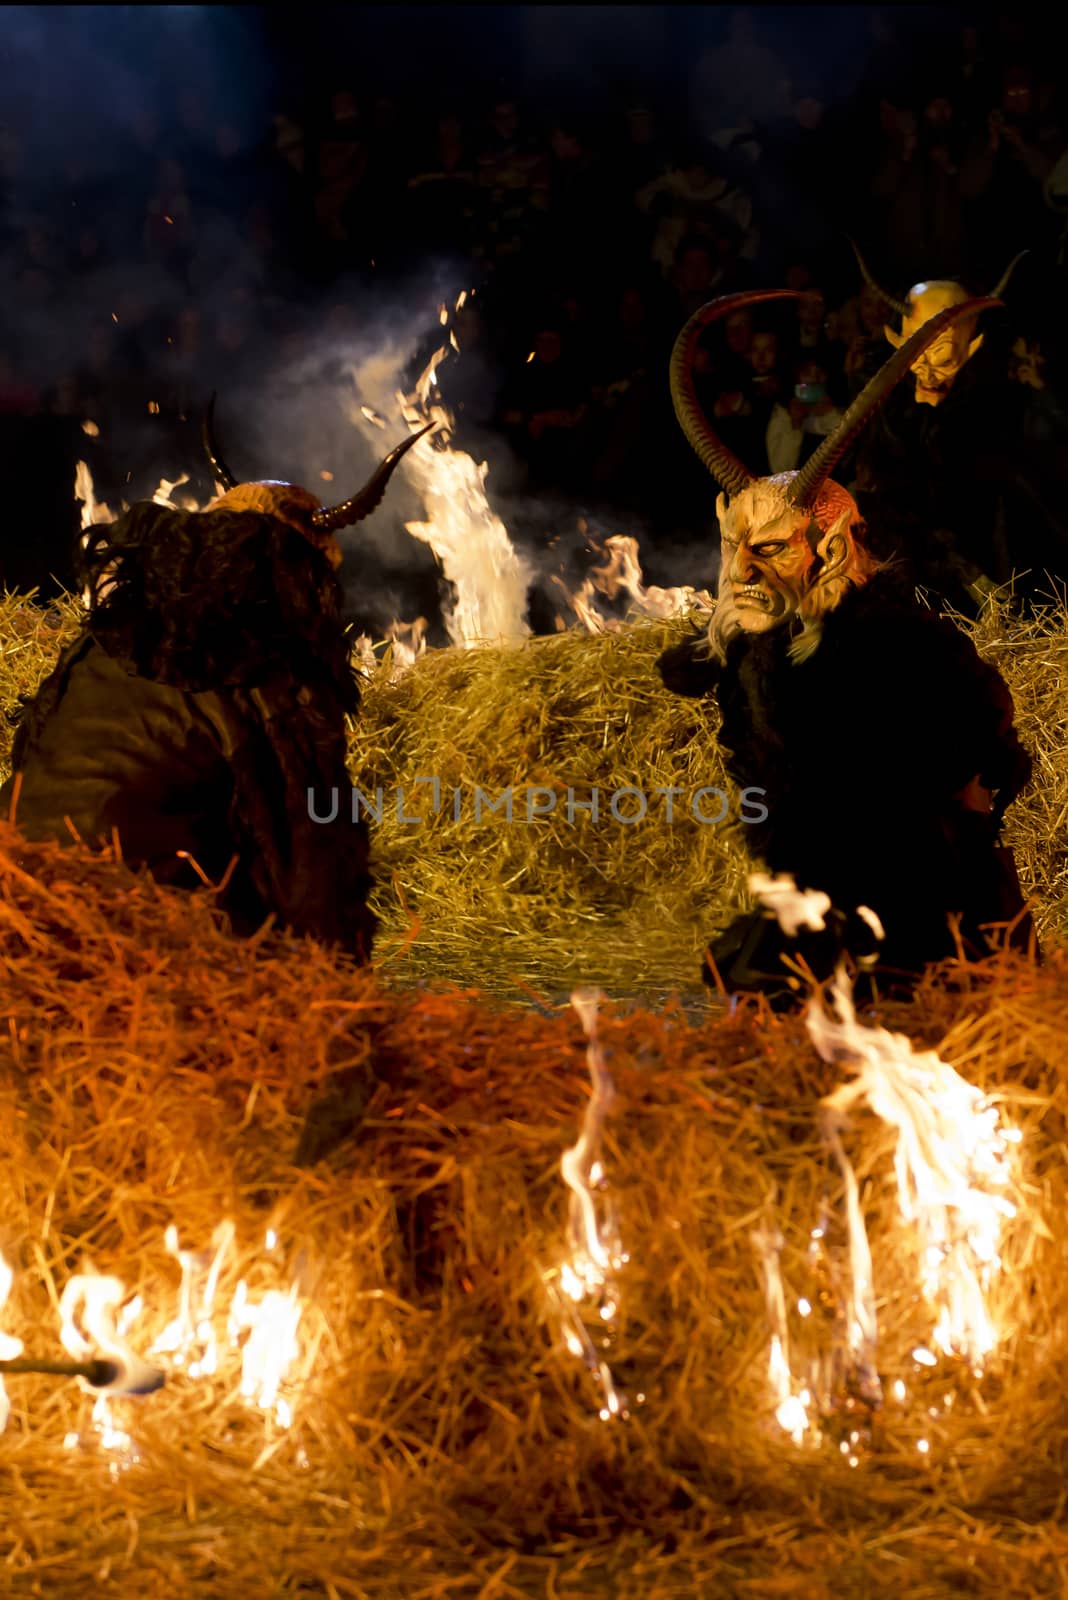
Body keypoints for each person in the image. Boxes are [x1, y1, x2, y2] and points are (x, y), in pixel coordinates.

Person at [657, 291, 1036, 1002]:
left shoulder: (890, 638)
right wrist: (741, 643)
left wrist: (966, 787)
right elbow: (721, 712)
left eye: (768, 549)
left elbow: (982, 716)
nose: (742, 570)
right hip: (812, 878)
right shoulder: (757, 629)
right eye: (735, 547)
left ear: (826, 547)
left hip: (912, 890)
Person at [1, 407, 434, 960]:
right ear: (297, 572)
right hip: (134, 923)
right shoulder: (271, 674)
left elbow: (30, 754)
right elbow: (313, 847)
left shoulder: (110, 636)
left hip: (20, 889)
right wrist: (335, 984)